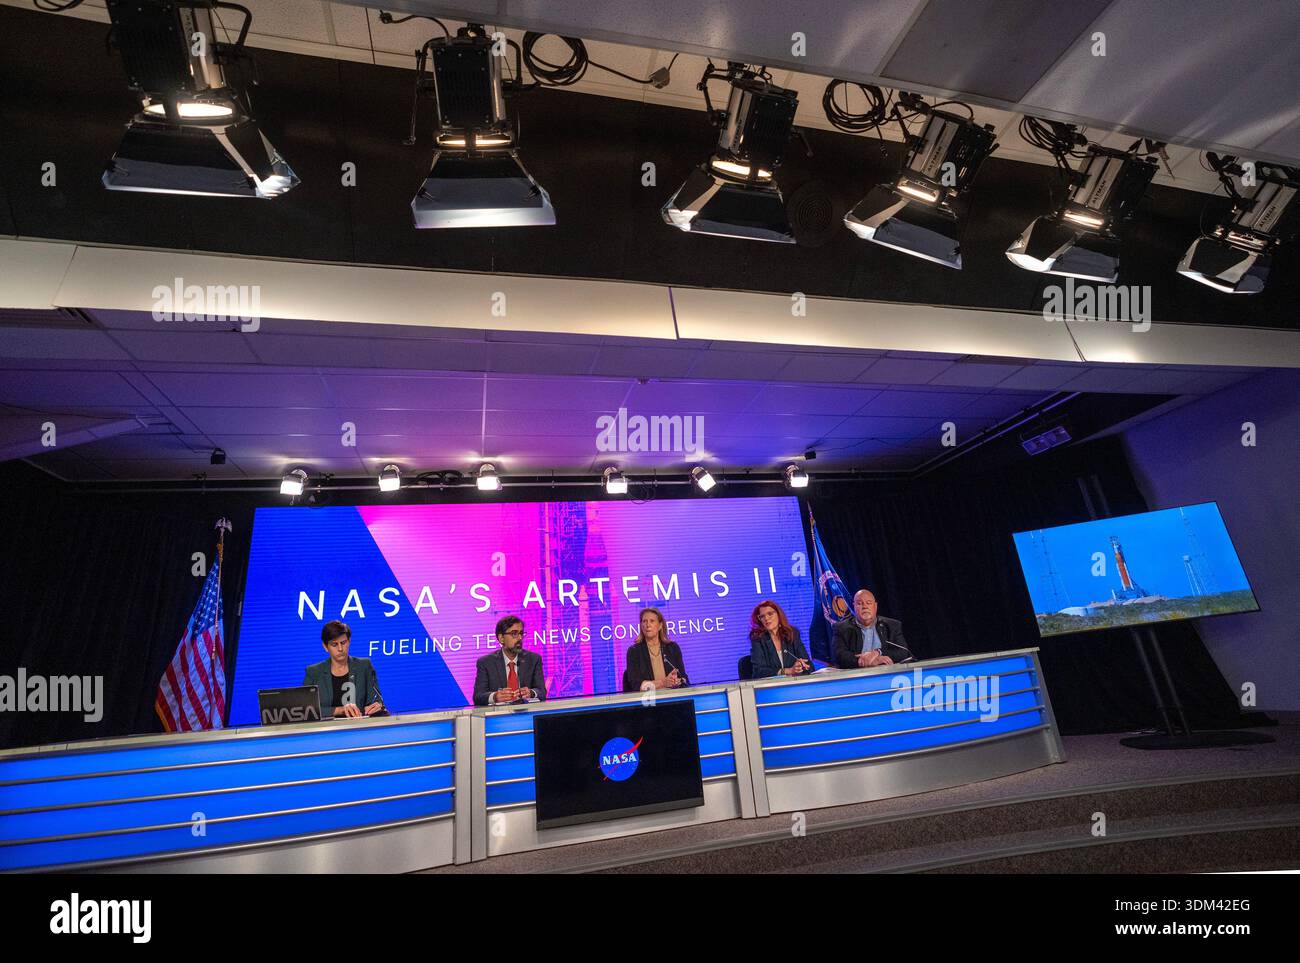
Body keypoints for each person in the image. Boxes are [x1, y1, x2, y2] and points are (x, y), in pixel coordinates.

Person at [302, 620, 384, 718]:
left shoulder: (364, 666)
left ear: (349, 641)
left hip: (360, 727)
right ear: (325, 646)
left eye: (343, 642)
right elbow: (306, 709)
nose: (340, 649)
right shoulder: (314, 672)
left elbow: (376, 699)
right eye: (334, 644)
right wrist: (339, 710)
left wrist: (377, 705)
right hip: (326, 730)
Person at [473, 615, 546, 706]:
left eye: (521, 633)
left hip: (527, 715)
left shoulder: (533, 659)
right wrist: (495, 696)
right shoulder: (486, 663)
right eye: (514, 634)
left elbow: (542, 692)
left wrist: (531, 693)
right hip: (499, 716)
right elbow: (478, 696)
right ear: (501, 638)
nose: (520, 638)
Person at [833, 589, 914, 669]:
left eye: (868, 603)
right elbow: (840, 656)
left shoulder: (892, 625)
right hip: (856, 675)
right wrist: (867, 661)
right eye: (859, 603)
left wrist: (878, 652)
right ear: (854, 607)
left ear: (875, 606)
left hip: (888, 673)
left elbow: (903, 651)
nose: (865, 607)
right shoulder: (841, 628)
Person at [623, 607, 689, 692]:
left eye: (652, 621)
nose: (647, 625)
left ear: (660, 625)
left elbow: (683, 677)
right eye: (644, 621)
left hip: (673, 698)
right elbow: (636, 685)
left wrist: (677, 681)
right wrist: (663, 683)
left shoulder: (672, 648)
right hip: (648, 701)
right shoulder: (634, 651)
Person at [748, 600, 813, 678]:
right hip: (771, 687)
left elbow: (808, 665)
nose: (766, 618)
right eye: (762, 616)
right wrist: (787, 671)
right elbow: (758, 671)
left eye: (770, 614)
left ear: (779, 614)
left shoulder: (792, 633)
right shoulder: (757, 638)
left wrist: (801, 666)